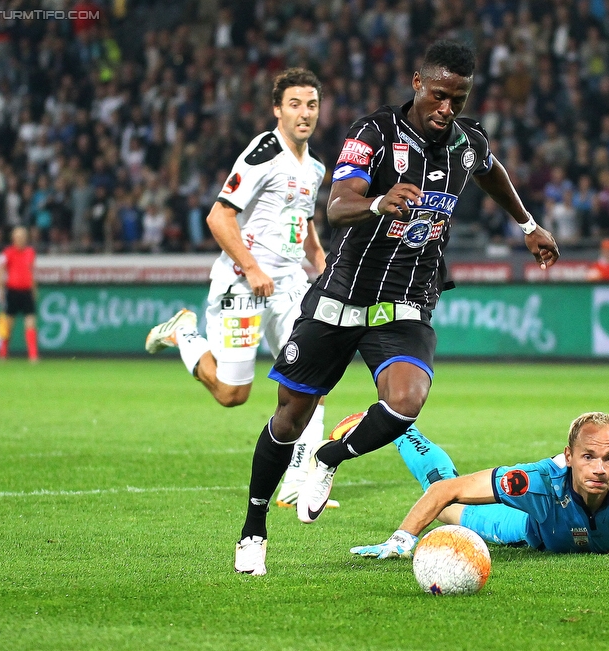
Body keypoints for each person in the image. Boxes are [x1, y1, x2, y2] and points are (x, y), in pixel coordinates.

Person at [233, 40, 560, 576]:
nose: (446, 109)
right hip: (341, 297)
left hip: (407, 301)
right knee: (289, 417)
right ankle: (253, 527)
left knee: (406, 401)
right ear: (416, 83)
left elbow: (491, 171)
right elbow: (338, 207)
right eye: (438, 95)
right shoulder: (373, 134)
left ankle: (329, 457)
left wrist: (527, 225)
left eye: (458, 98)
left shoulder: (468, 141)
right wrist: (378, 202)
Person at [143, 68, 334, 510]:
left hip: (289, 286)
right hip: (244, 285)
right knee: (233, 394)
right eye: (294, 104)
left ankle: (297, 482)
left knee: (312, 380)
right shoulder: (263, 152)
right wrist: (251, 269)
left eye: (311, 104)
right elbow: (218, 217)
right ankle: (184, 333)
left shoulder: (316, 168)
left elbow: (303, 219)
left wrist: (320, 260)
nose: (304, 113)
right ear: (276, 110)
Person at [350, 363, 609, 562]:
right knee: (448, 511)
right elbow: (446, 489)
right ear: (569, 458)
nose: (599, 469)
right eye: (588, 457)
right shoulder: (537, 483)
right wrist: (402, 540)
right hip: (529, 531)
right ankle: (400, 429)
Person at [0, 226, 39, 362]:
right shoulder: (7, 253)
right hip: (12, 290)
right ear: (13, 238)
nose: (20, 239)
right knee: (7, 323)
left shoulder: (30, 252)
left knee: (30, 322)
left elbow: (32, 272)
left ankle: (33, 355)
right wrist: (0, 290)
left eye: (23, 237)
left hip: (26, 291)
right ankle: (3, 353)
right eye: (18, 237)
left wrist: (34, 290)